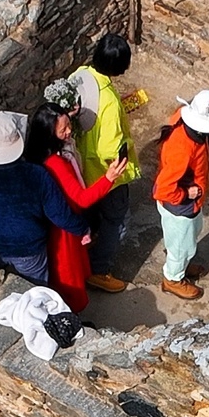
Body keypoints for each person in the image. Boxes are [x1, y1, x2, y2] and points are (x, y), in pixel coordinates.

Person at [25, 87, 128, 313]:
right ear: (49, 133)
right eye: (63, 129)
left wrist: (67, 116)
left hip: (57, 223)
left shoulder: (40, 155)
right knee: (68, 274)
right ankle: (72, 313)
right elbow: (81, 199)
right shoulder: (56, 164)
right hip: (64, 232)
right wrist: (109, 178)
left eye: (69, 125)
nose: (69, 131)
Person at [0, 109, 90, 283]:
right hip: (29, 251)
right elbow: (59, 214)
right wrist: (83, 229)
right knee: (35, 291)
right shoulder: (36, 174)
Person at [69, 33, 140, 292]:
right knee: (116, 222)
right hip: (105, 175)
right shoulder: (108, 100)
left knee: (90, 215)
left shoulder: (80, 74)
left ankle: (86, 250)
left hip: (80, 168)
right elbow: (111, 148)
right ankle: (98, 270)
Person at [153, 89, 209, 301]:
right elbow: (164, 189)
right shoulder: (182, 150)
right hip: (179, 205)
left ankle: (181, 263)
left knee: (189, 234)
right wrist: (185, 193)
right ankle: (173, 279)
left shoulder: (185, 118)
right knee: (182, 246)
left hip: (189, 203)